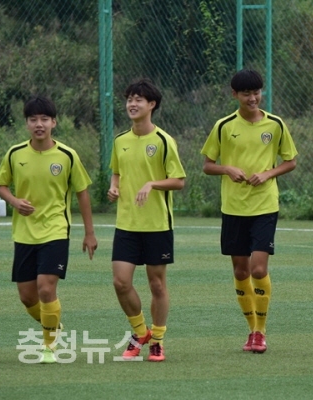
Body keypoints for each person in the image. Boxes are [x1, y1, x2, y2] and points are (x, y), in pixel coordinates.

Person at [0, 95, 98, 364]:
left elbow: (82, 192)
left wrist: (89, 233)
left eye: (44, 119)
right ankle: (53, 324)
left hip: (55, 230)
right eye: (33, 119)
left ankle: (49, 346)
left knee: (45, 288)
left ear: (54, 122)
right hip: (24, 233)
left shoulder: (67, 155)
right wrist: (15, 201)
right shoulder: (15, 154)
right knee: (27, 296)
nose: (39, 124)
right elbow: (1, 186)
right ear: (27, 123)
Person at [201, 69, 298, 353]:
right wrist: (227, 169)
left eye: (256, 93)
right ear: (235, 95)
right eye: (246, 94)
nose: (253, 98)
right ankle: (251, 328)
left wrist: (268, 174)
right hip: (233, 207)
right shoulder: (223, 126)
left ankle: (260, 331)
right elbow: (207, 165)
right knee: (241, 270)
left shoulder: (275, 125)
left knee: (258, 268)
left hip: (265, 205)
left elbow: (290, 161)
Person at [108, 78, 186, 362]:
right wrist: (114, 187)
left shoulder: (164, 141)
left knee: (157, 285)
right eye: (129, 99)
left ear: (152, 104)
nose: (132, 104)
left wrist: (152, 183)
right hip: (126, 224)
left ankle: (158, 340)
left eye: (138, 99)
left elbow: (178, 181)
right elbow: (116, 172)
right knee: (120, 282)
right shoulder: (120, 140)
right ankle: (141, 332)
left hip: (157, 225)